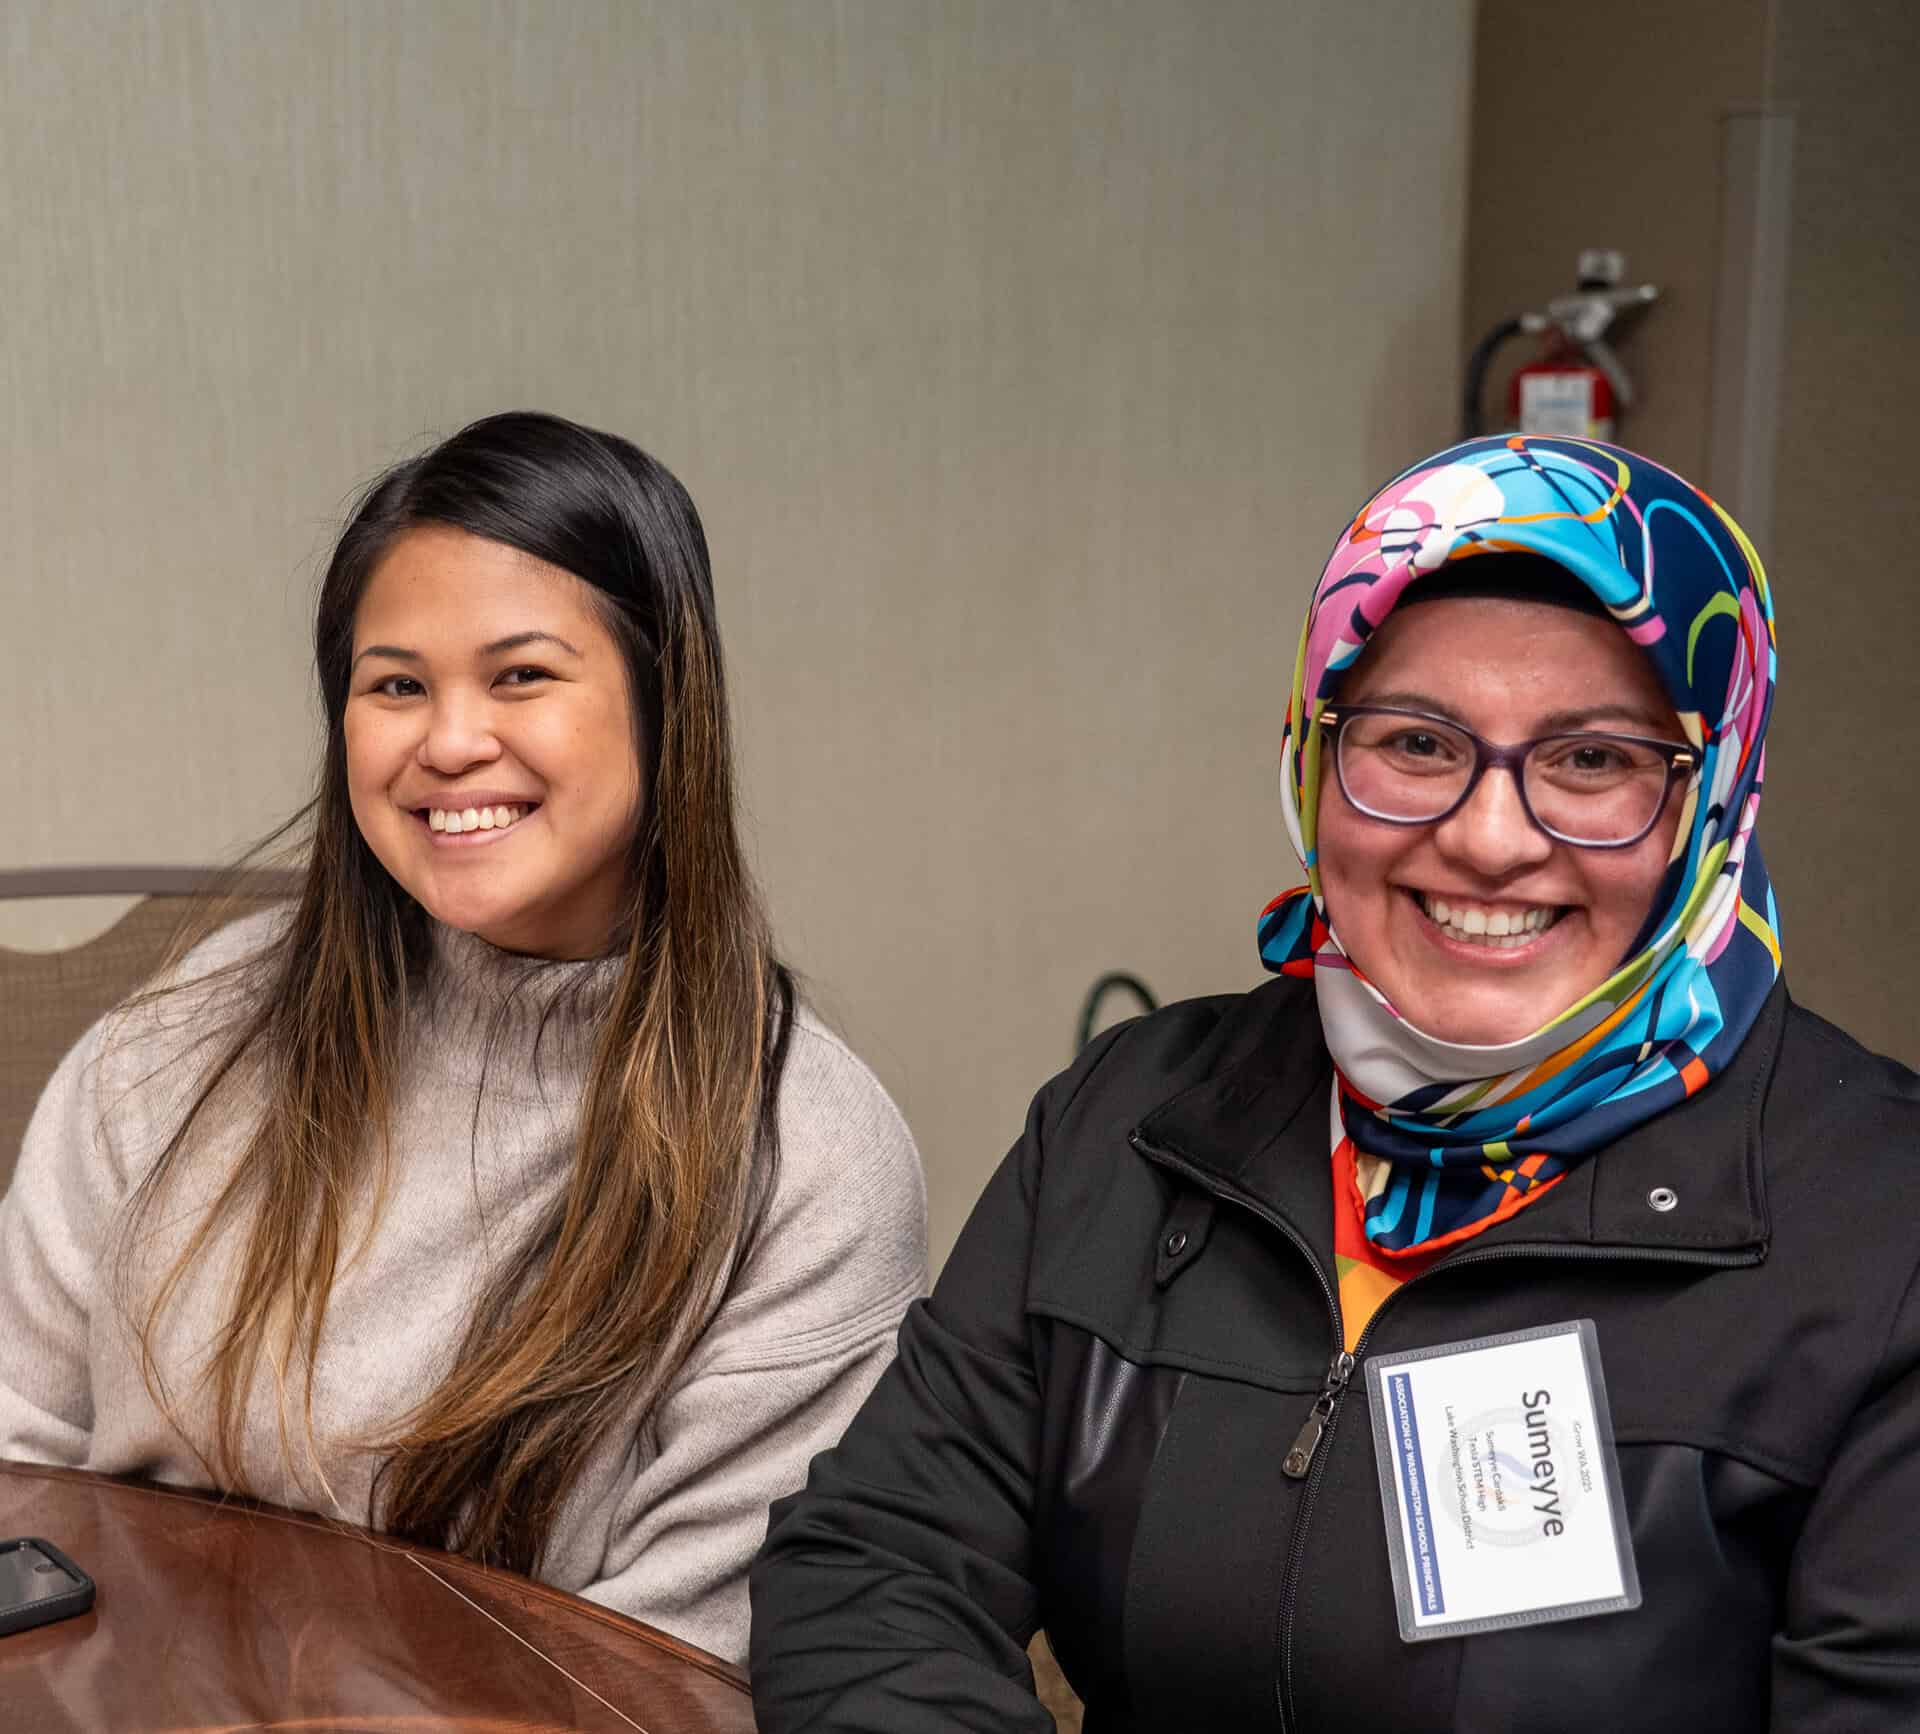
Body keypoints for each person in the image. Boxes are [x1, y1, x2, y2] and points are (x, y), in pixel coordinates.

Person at [750, 435, 1920, 1731]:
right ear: (1314, 754)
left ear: (1713, 798)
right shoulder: (1132, 1119)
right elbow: (873, 1564)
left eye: (1593, 760)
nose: (1487, 836)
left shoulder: (1883, 1227)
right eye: (1418, 742)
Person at [0, 410, 926, 1664]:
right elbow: (16, 1464)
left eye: (522, 676)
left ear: (666, 702)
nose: (447, 742)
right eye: (396, 686)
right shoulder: (185, 1035)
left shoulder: (806, 1159)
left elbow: (674, 1665)